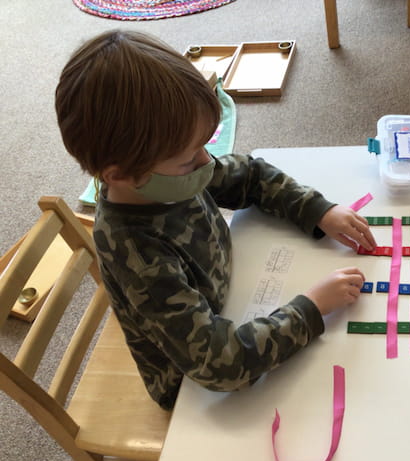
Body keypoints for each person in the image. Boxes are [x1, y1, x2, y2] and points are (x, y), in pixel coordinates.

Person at [55, 30, 377, 410]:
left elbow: (251, 176)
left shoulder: (163, 176)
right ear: (119, 175)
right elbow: (219, 366)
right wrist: (311, 308)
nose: (207, 163)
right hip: (187, 383)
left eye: (204, 147)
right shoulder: (137, 253)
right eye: (190, 159)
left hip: (229, 300)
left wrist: (317, 210)